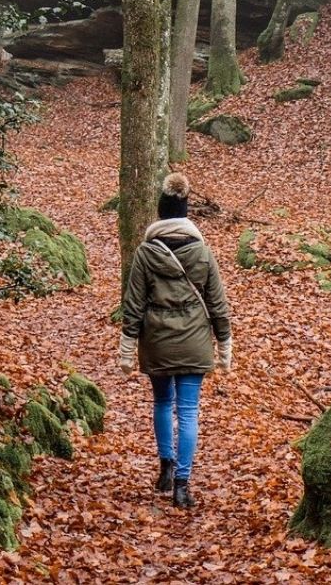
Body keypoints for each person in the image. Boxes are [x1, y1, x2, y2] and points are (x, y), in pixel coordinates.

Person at [119, 172, 232, 510]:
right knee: (188, 411)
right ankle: (183, 486)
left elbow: (133, 305)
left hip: (157, 341)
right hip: (195, 342)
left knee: (162, 403)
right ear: (185, 214)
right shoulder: (202, 253)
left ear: (160, 212)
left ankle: (165, 469)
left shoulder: (144, 253)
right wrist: (224, 348)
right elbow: (218, 304)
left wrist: (126, 350)